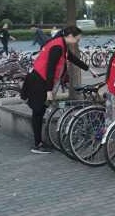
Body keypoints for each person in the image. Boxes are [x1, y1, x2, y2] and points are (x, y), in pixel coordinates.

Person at [21, 26, 98, 154]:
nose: (77, 42)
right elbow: (50, 69)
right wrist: (49, 91)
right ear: (70, 36)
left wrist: (89, 69)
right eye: (77, 39)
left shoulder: (61, 43)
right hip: (39, 81)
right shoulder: (57, 46)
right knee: (38, 112)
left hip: (40, 80)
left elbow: (72, 58)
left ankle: (39, 142)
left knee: (39, 112)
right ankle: (37, 145)